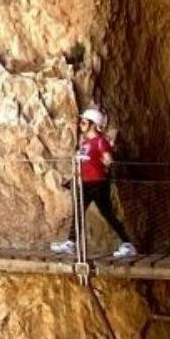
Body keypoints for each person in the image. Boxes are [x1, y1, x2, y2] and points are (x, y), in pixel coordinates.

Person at [52, 107, 136, 261]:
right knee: (79, 212)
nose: (80, 125)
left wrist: (107, 160)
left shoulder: (100, 141)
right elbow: (84, 165)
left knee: (107, 214)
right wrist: (71, 181)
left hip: (97, 184)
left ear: (93, 124)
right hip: (84, 183)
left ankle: (127, 244)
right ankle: (71, 243)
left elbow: (108, 159)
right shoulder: (86, 143)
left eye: (84, 122)